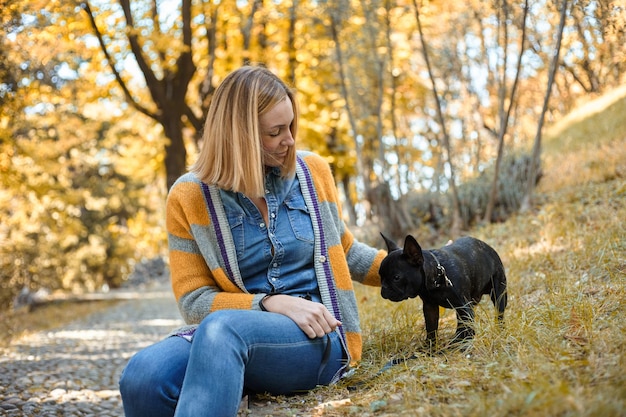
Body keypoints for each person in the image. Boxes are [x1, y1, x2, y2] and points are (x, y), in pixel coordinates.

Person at [119, 65, 386, 417]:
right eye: (276, 132)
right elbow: (195, 301)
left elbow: (345, 250)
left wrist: (420, 266)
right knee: (142, 376)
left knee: (222, 330)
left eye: (290, 126)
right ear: (238, 137)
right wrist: (269, 303)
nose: (290, 139)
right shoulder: (188, 196)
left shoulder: (313, 171)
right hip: (230, 336)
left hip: (317, 336)